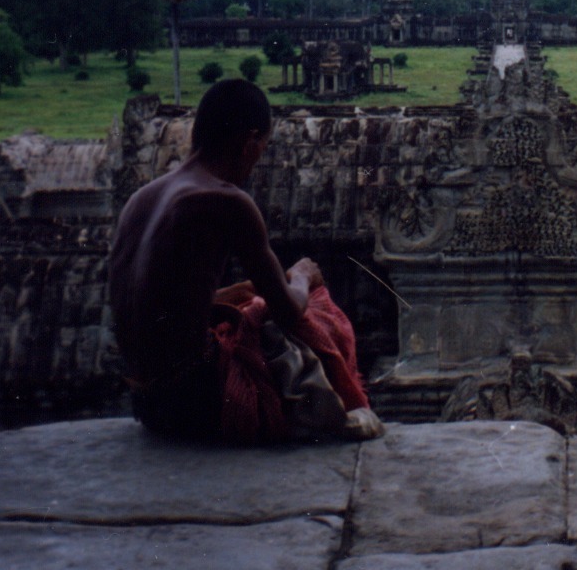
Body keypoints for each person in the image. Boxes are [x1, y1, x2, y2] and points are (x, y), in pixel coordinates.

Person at [108, 78, 380, 441]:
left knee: (250, 299)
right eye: (262, 148)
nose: (257, 161)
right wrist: (301, 275)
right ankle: (342, 410)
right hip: (197, 400)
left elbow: (160, 303)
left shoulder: (142, 198)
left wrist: (240, 292)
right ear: (250, 140)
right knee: (315, 310)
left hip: (146, 400)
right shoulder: (227, 200)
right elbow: (288, 309)